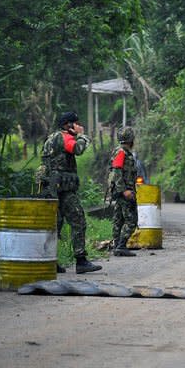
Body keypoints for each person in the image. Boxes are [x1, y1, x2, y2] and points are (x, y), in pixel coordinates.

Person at [38, 111, 102, 274]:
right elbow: (77, 149)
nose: (78, 126)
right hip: (63, 189)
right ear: (68, 125)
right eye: (75, 123)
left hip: (50, 188)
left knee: (54, 224)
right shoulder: (64, 137)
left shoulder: (51, 138)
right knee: (78, 219)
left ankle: (49, 261)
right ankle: (81, 260)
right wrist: (82, 135)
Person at [108, 126, 138, 257]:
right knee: (131, 220)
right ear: (131, 139)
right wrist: (124, 190)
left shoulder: (121, 151)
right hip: (124, 191)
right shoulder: (121, 152)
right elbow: (117, 172)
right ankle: (121, 245)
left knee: (118, 219)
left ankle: (117, 245)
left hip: (120, 191)